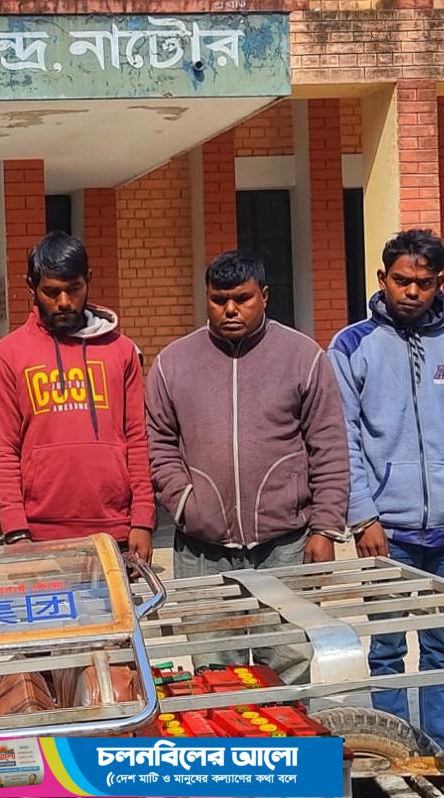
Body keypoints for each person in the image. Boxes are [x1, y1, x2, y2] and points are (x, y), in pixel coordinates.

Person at [328, 229, 444, 755]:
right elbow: (344, 439)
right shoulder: (351, 346)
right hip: (387, 532)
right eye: (401, 280)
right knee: (387, 649)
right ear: (382, 278)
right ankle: (397, 754)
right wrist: (362, 516)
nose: (412, 292)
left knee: (443, 647)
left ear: (439, 282)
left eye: (424, 283)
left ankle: (439, 754)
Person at [146, 249, 348, 684]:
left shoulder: (303, 357)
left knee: (289, 668)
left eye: (243, 298)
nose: (231, 309)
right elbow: (159, 444)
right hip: (202, 551)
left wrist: (325, 528)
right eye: (219, 300)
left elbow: (329, 447)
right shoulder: (173, 364)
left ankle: (288, 731)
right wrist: (185, 503)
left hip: (286, 546)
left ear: (265, 296)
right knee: (216, 677)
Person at [0, 232, 154, 558]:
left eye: (74, 289)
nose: (64, 301)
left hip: (115, 529)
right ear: (31, 287)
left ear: (88, 280)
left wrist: (143, 519)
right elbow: (5, 450)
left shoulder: (122, 351)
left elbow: (137, 438)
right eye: (51, 292)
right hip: (39, 535)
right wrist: (16, 530)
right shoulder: (6, 356)